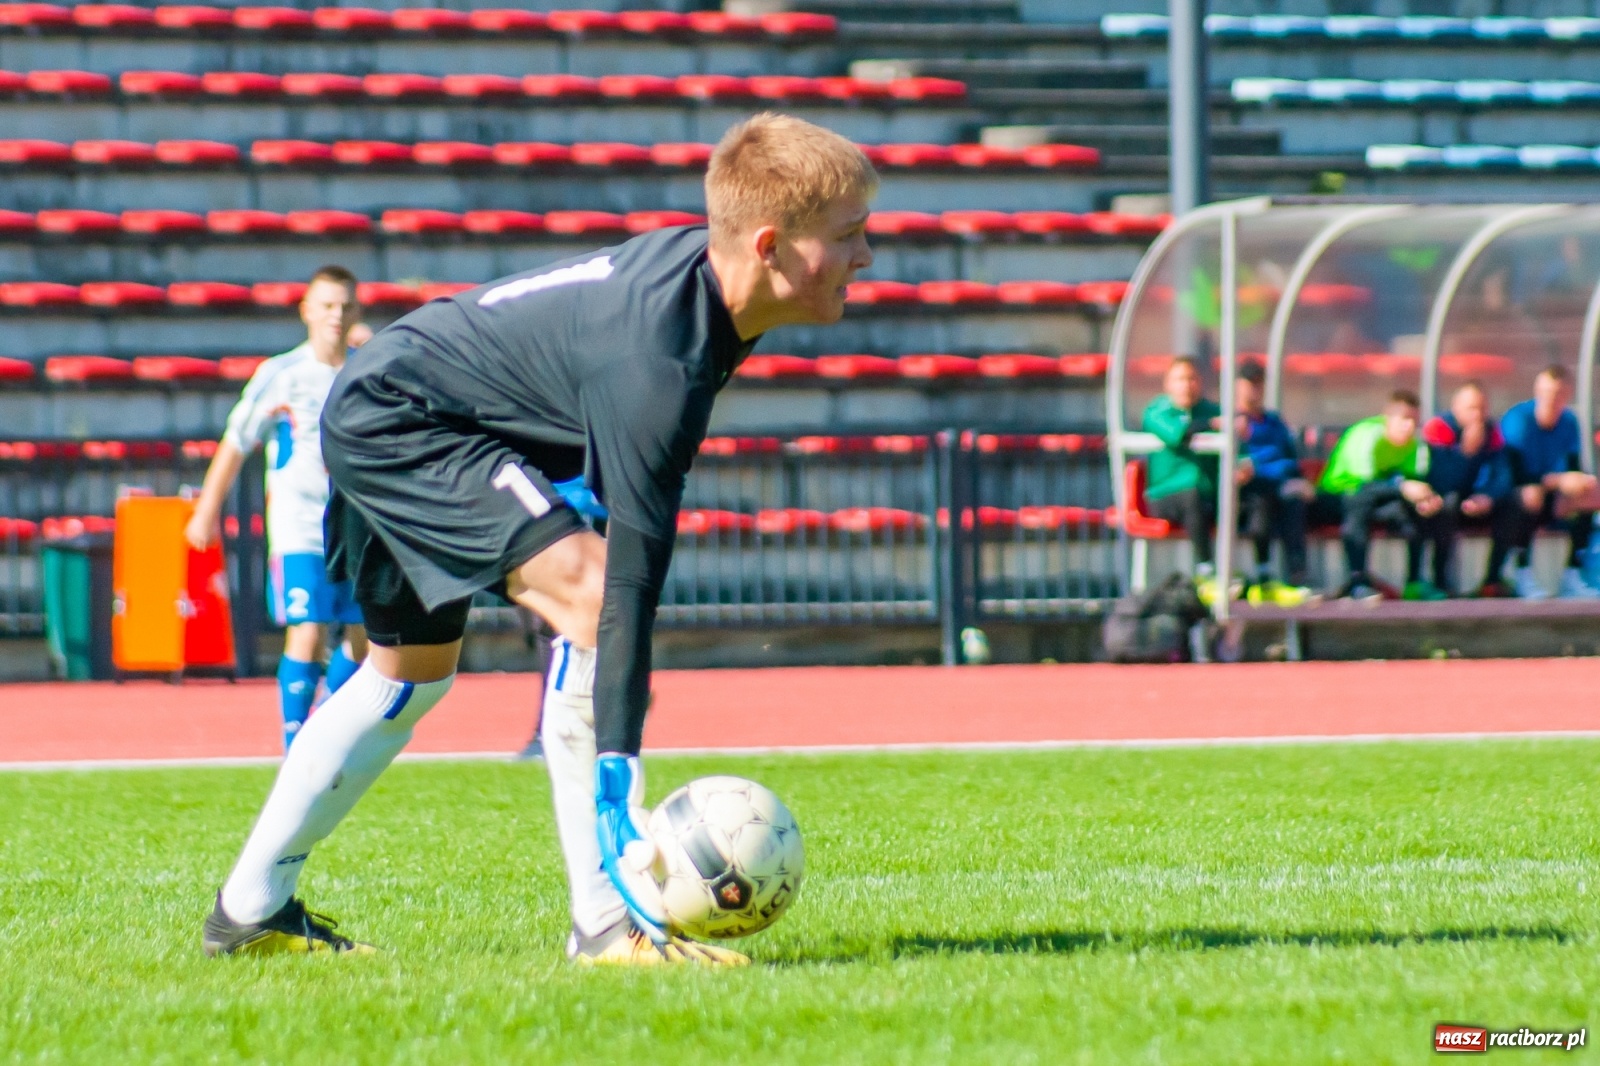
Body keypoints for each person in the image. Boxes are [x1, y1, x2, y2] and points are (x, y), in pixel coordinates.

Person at [200, 113, 876, 967]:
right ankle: (605, 925)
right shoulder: (659, 362)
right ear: (771, 246)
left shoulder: (707, 290)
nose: (867, 256)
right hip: (406, 419)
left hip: (397, 399)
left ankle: (248, 910)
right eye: (849, 236)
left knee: (408, 676)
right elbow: (627, 588)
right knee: (591, 596)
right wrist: (620, 776)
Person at [185, 266, 368, 751]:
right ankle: (295, 741)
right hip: (300, 525)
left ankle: (323, 728)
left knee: (363, 636)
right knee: (305, 630)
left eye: (346, 305)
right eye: (327, 305)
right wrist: (207, 508)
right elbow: (235, 441)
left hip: (355, 527)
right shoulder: (282, 374)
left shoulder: (365, 370)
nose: (337, 315)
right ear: (306, 311)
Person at [1312, 390, 1453, 601]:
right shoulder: (1367, 435)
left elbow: (1409, 481)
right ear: (1388, 417)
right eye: (1404, 419)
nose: (1409, 426)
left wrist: (1425, 499)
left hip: (1375, 501)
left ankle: (1416, 582)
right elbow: (1365, 485)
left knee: (1421, 510)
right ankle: (1357, 582)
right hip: (1334, 498)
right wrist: (1403, 487)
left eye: (1414, 421)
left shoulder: (1413, 446)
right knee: (1358, 503)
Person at [1498, 365, 1600, 599]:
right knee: (1531, 495)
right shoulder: (1519, 419)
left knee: (1590, 494)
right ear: (1537, 390)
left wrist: (1577, 483)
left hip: (1550, 494)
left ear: (1567, 395)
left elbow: (1572, 466)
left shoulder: (1569, 421)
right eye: (1546, 392)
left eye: (1557, 394)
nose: (1551, 400)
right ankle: (1522, 571)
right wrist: (1557, 481)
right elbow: (1515, 475)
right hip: (1511, 496)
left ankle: (1573, 572)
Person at [1420, 381, 1518, 597]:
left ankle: (1492, 579)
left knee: (1513, 504)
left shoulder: (1491, 431)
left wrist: (1488, 497)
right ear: (1456, 407)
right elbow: (1442, 480)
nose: (1477, 415)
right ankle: (1441, 582)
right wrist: (1466, 453)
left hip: (1477, 500)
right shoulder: (1439, 429)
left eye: (1481, 409)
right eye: (1471, 409)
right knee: (1448, 505)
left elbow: (1503, 476)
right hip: (1446, 499)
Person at [1234, 363, 1314, 605]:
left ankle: (1297, 578)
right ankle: (1263, 575)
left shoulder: (1274, 423)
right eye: (1249, 383)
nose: (1254, 390)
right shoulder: (1231, 423)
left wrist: (1300, 481)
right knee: (1263, 500)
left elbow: (1291, 458)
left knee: (1295, 500)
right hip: (1250, 491)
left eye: (1259, 384)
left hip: (1283, 487)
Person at [1141, 358, 1221, 586]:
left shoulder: (1211, 410)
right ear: (1167, 384)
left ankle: (1264, 575)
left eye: (1192, 378)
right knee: (1191, 496)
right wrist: (1213, 425)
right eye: (1180, 379)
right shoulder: (1158, 412)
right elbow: (1179, 434)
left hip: (1208, 494)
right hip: (1166, 495)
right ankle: (1206, 569)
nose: (1187, 385)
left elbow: (1240, 446)